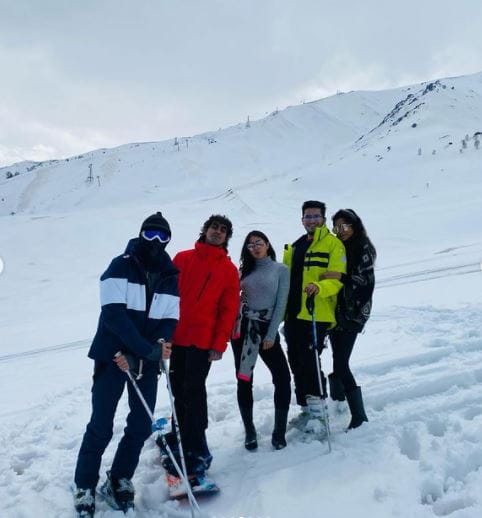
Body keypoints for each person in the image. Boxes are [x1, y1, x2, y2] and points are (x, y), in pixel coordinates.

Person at [73, 212, 179, 517]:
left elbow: (170, 317)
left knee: (141, 424)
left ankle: (119, 478)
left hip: (146, 360)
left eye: (162, 237)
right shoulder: (121, 265)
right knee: (101, 424)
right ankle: (84, 484)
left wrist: (159, 344)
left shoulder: (170, 275)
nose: (156, 242)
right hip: (113, 357)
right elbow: (113, 314)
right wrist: (143, 348)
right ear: (141, 234)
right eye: (151, 235)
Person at [162, 214, 239, 484]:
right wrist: (163, 335)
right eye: (214, 227)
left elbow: (228, 311)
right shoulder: (183, 258)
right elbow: (167, 296)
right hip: (176, 338)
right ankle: (176, 436)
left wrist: (219, 344)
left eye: (223, 230)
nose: (217, 232)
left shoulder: (229, 270)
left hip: (202, 343)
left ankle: (196, 451)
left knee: (193, 393)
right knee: (177, 389)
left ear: (227, 237)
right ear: (204, 230)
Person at [283, 201, 346, 434]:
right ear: (302, 220)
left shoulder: (333, 245)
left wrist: (320, 287)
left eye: (315, 216)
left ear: (323, 219)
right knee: (296, 361)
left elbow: (336, 280)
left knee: (310, 361)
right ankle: (307, 409)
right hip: (293, 313)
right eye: (307, 217)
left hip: (315, 313)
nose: (311, 220)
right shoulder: (297, 246)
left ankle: (320, 414)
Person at [231, 231, 291, 450]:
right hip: (243, 329)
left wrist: (271, 334)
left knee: (282, 378)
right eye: (250, 245)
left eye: (259, 243)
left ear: (267, 244)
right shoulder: (243, 271)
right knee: (244, 379)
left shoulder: (280, 270)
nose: (255, 247)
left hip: (267, 329)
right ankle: (250, 431)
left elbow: (281, 305)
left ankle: (279, 431)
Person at [324, 208, 376, 429]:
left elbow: (365, 281)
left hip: (353, 314)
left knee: (341, 362)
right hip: (337, 312)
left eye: (345, 226)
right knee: (338, 356)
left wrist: (340, 277)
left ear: (354, 225)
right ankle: (337, 400)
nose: (341, 231)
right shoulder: (339, 247)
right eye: (337, 227)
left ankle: (359, 415)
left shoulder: (363, 247)